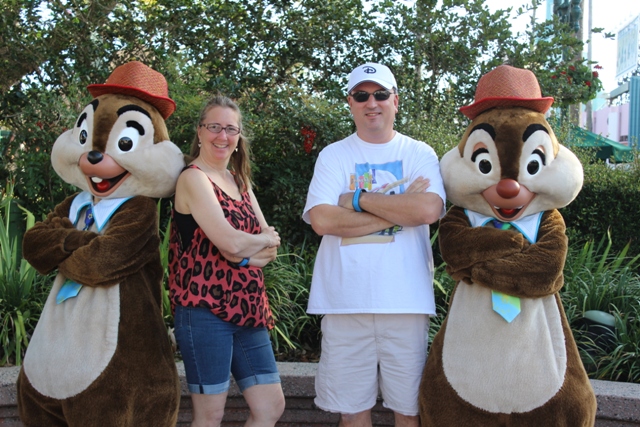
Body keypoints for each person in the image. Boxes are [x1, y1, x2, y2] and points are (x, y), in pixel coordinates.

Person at [302, 63, 446, 427]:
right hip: (344, 303)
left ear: (395, 101)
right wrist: (400, 209)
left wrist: (356, 199)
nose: (372, 102)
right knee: (352, 414)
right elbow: (323, 220)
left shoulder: (419, 153)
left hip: (406, 302)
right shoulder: (333, 155)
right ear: (349, 102)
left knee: (410, 413)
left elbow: (427, 209)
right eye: (362, 95)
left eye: (381, 94)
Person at [168, 95, 285, 427]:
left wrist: (243, 256)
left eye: (230, 129)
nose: (223, 136)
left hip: (248, 307)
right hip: (204, 312)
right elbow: (230, 241)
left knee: (270, 407)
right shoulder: (193, 178)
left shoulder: (239, 181)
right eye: (214, 127)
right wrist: (252, 243)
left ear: (239, 135)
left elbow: (269, 248)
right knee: (210, 416)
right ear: (200, 131)